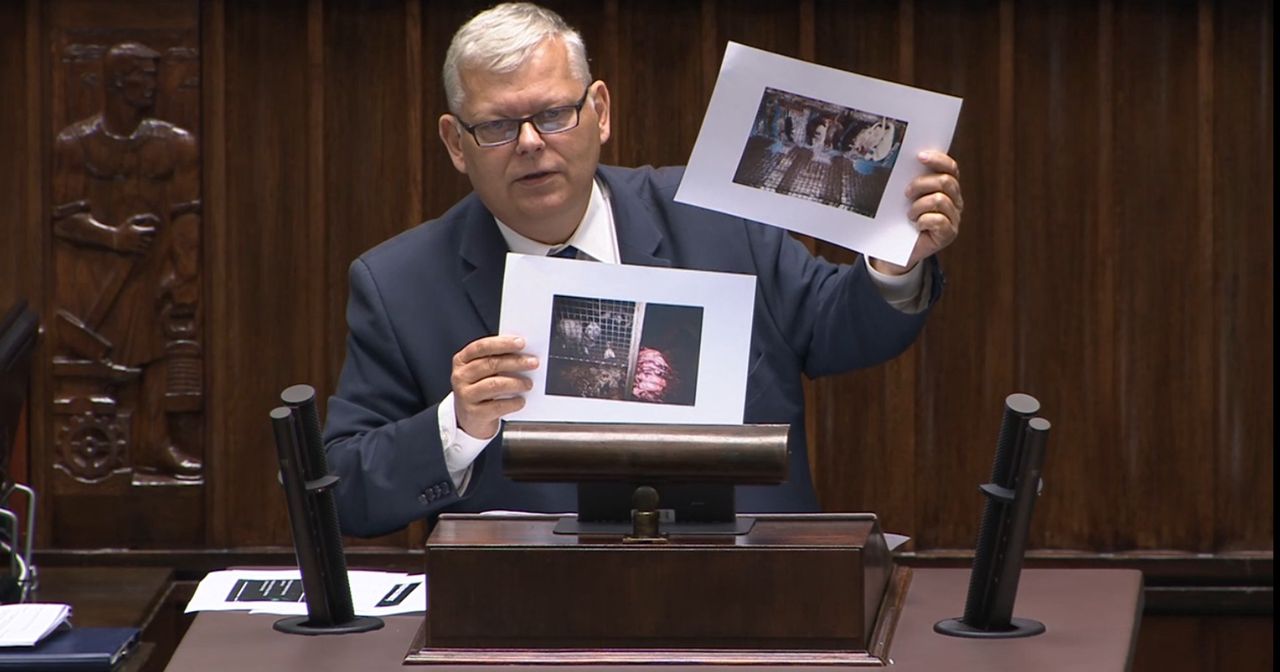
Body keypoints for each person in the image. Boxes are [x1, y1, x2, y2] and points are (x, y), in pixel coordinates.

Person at [323, 2, 963, 537]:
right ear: (454, 144)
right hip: (532, 620)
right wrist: (457, 425)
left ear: (600, 111)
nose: (529, 143)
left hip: (756, 596)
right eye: (495, 126)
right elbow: (343, 489)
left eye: (552, 115)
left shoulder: (714, 216)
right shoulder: (398, 283)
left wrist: (890, 263)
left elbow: (839, 329)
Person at [51, 42, 203, 480]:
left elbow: (187, 214)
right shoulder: (75, 144)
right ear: (118, 82)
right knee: (98, 366)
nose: (153, 86)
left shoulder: (175, 144)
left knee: (157, 357)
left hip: (153, 272)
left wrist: (186, 273)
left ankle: (154, 445)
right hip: (93, 279)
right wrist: (113, 236)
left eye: (155, 77)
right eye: (144, 77)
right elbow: (63, 218)